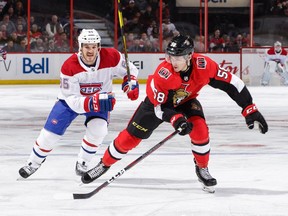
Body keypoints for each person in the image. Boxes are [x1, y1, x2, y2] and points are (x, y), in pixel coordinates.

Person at [81, 34, 268, 193]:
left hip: (186, 101)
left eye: (178, 57)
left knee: (200, 130)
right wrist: (176, 119)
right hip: (157, 106)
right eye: (170, 56)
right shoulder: (164, 73)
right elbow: (159, 107)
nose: (172, 61)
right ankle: (104, 164)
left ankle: (202, 169)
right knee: (128, 139)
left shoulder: (204, 65)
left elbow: (233, 84)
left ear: (190, 56)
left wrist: (249, 108)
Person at [18, 29, 139, 178]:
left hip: (98, 101)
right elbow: (72, 101)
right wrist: (94, 101)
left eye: (94, 47)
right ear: (80, 47)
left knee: (99, 130)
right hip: (70, 101)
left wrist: (130, 83)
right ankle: (33, 162)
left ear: (98, 47)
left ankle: (83, 161)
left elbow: (130, 69)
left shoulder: (112, 56)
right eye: (87, 47)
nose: (91, 51)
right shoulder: (69, 66)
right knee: (49, 135)